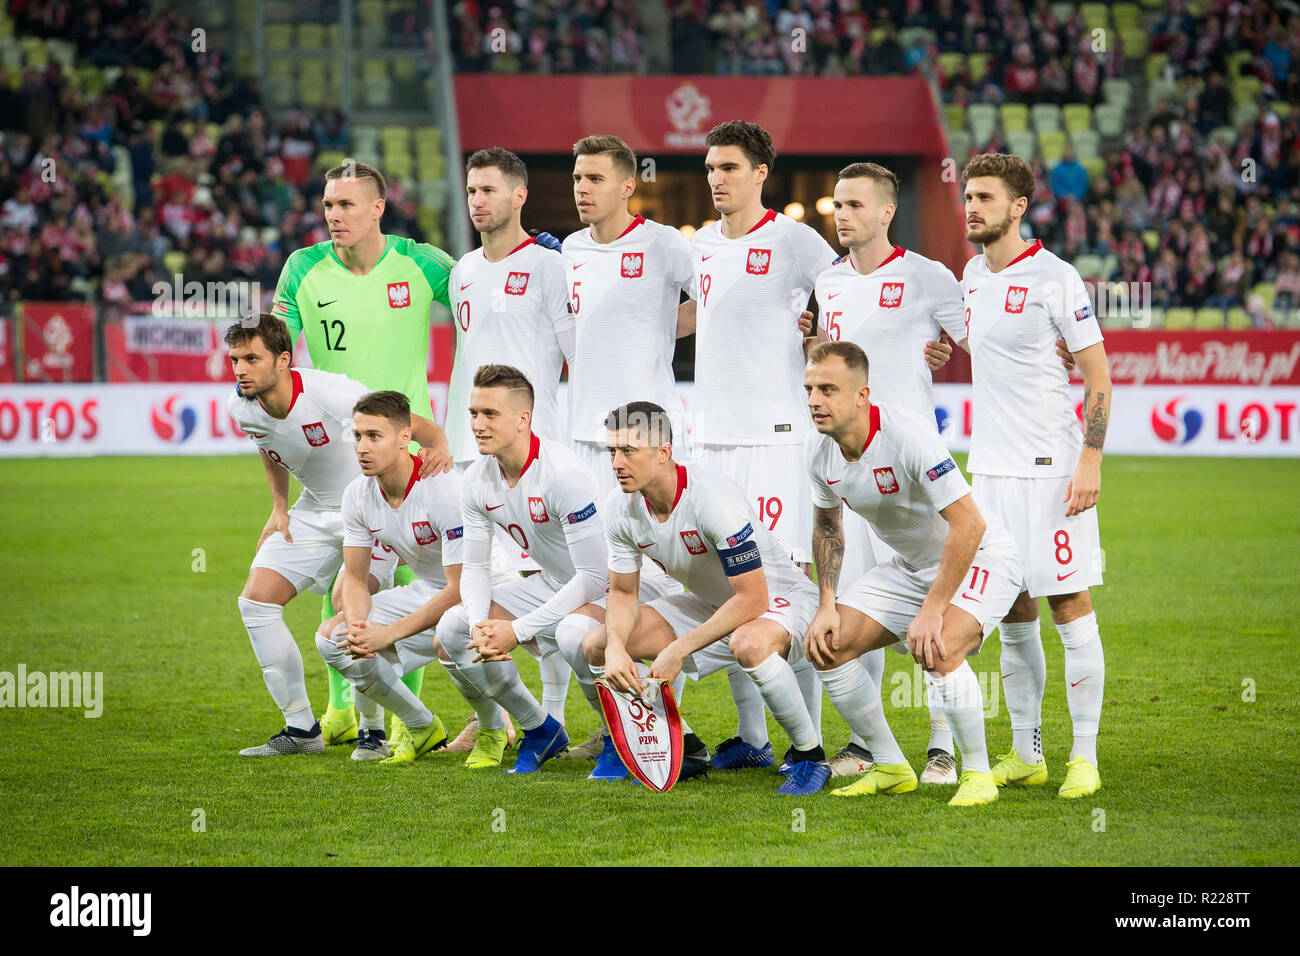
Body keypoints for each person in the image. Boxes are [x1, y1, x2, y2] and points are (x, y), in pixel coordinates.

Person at [271, 159, 456, 749]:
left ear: (378, 208)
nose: (334, 215)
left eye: (347, 204)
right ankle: (342, 708)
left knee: (415, 574)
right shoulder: (303, 267)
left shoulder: (424, 263)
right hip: (339, 452)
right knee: (348, 581)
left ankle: (405, 711)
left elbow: (490, 289)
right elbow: (277, 348)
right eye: (328, 205)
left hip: (410, 446)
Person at [802, 342, 1022, 806]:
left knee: (937, 647)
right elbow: (826, 524)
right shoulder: (818, 452)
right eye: (809, 390)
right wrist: (825, 605)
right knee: (827, 646)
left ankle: (978, 774)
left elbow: (970, 523)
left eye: (827, 389)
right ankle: (890, 766)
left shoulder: (907, 434)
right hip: (910, 568)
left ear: (862, 395)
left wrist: (933, 609)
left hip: (982, 556)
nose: (814, 400)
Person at [226, 314, 448, 757]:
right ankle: (301, 730)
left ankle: (373, 732)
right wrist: (277, 506)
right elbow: (268, 445)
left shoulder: (332, 395)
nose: (240, 370)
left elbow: (417, 428)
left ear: (283, 360)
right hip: (314, 509)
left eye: (252, 358)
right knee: (255, 603)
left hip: (370, 510)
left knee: (354, 615)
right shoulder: (242, 407)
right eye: (234, 360)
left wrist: (439, 451)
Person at [434, 365, 672, 774]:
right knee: (453, 628)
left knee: (575, 633)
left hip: (627, 585)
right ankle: (539, 728)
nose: (477, 424)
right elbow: (474, 565)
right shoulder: (475, 478)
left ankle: (620, 737)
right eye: (474, 413)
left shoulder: (562, 474)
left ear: (523, 418)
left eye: (490, 414)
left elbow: (597, 577)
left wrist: (518, 630)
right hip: (561, 583)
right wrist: (479, 624)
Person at [961, 152, 1111, 798]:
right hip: (988, 475)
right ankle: (1027, 753)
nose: (972, 207)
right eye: (968, 196)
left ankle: (1085, 756)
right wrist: (950, 347)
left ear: (1018, 208)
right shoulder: (970, 275)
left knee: (1069, 605)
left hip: (1052, 473)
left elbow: (1098, 376)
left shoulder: (1057, 278)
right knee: (1013, 614)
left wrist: (1090, 459)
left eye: (986, 198)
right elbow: (988, 346)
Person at [587, 402, 831, 796]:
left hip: (783, 602)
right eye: (611, 451)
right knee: (596, 643)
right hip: (721, 606)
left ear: (664, 451)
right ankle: (688, 748)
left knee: (748, 641)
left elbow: (753, 598)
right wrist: (616, 647)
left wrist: (679, 648)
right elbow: (622, 591)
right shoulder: (620, 507)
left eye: (628, 451)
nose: (616, 462)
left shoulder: (709, 497)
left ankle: (810, 755)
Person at [689, 120, 837, 770]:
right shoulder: (699, 248)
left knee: (790, 586)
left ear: (758, 174)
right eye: (711, 168)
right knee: (730, 586)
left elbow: (847, 304)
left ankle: (809, 741)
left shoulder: (796, 241)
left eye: (729, 167)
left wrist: (818, 332)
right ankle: (753, 739)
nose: (717, 179)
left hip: (777, 440)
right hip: (712, 440)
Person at [813, 160, 966, 782]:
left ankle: (942, 743)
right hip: (856, 467)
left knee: (935, 604)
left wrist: (945, 345)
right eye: (836, 205)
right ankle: (863, 739)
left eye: (853, 205)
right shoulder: (828, 283)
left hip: (918, 468)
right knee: (860, 599)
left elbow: (975, 336)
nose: (842, 215)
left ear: (885, 212)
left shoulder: (928, 276)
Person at [557, 132, 697, 761]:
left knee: (674, 578)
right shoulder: (569, 254)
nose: (582, 189)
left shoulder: (667, 245)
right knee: (591, 585)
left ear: (626, 184)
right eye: (576, 178)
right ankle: (626, 723)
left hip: (649, 437)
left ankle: (713, 729)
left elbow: (714, 307)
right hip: (581, 437)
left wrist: (660, 332)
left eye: (593, 178)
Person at [444, 146, 579, 748]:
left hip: (537, 452)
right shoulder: (461, 272)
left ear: (520, 195)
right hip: (477, 455)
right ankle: (503, 716)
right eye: (472, 190)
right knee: (485, 587)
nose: (478, 200)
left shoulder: (551, 266)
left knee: (548, 581)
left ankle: (553, 716)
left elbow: (578, 353)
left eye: (490, 190)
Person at [315, 391, 464, 765]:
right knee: (334, 637)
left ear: (403, 438)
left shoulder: (444, 489)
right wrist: (359, 628)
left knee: (452, 639)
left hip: (483, 591)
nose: (362, 447)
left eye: (374, 436)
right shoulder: (357, 494)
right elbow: (354, 578)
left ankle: (522, 727)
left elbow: (463, 587)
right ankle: (414, 725)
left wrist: (389, 633)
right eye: (358, 436)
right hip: (431, 589)